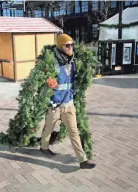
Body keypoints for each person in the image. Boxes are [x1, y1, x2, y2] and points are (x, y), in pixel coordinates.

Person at [40, 34, 96, 169]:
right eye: (67, 45)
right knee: (48, 128)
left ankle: (82, 160)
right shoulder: (52, 62)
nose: (71, 48)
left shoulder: (73, 61)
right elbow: (43, 79)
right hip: (55, 105)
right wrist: (47, 81)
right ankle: (44, 147)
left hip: (69, 104)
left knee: (74, 132)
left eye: (72, 45)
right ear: (60, 47)